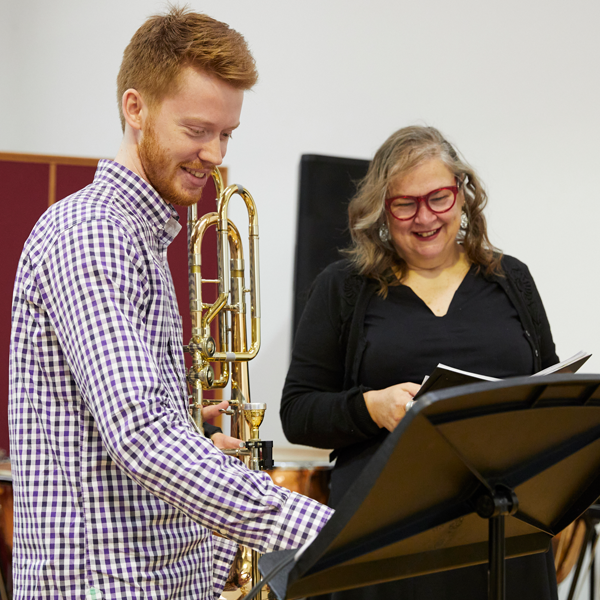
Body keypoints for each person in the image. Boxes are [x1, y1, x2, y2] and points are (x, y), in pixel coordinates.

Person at [8, 7, 332, 600]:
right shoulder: (93, 233)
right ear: (136, 109)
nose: (214, 153)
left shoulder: (140, 237)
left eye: (226, 133)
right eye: (197, 129)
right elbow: (139, 435)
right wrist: (318, 528)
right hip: (106, 584)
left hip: (151, 575)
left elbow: (118, 423)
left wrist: (188, 424)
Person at [280, 125, 559, 600]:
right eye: (405, 204)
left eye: (439, 198)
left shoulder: (512, 278)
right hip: (389, 536)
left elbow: (548, 390)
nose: (424, 217)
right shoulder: (343, 287)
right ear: (382, 211)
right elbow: (298, 412)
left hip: (504, 530)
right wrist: (370, 407)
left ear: (463, 196)